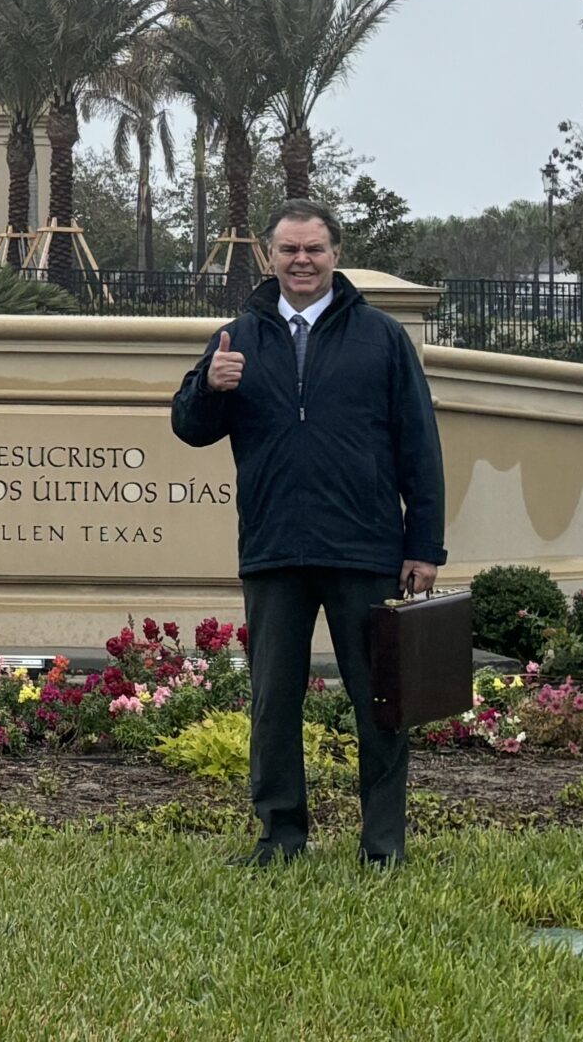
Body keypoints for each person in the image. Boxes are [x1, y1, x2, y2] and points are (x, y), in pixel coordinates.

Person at [171, 198, 446, 867]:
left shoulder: (381, 338)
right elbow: (189, 426)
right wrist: (211, 386)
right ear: (269, 257)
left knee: (382, 705)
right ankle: (280, 838)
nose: (301, 261)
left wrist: (424, 546)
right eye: (289, 250)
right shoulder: (237, 337)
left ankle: (383, 846)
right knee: (272, 704)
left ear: (335, 255)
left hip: (364, 548)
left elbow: (420, 446)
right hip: (274, 550)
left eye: (314, 249)